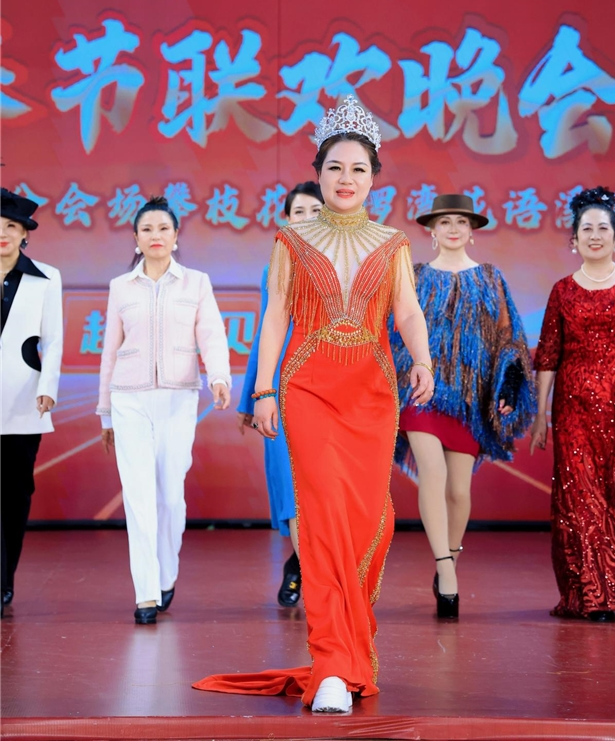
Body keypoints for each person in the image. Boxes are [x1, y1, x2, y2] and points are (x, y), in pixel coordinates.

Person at [194, 95, 434, 712]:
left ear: (374, 177)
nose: (345, 179)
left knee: (369, 523)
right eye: (334, 168)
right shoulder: (292, 239)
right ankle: (331, 665)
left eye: (357, 169)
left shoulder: (394, 242)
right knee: (322, 519)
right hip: (308, 391)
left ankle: (352, 650)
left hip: (373, 395)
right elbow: (275, 316)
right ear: (319, 174)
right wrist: (264, 389)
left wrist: (424, 360)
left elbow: (407, 311)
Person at [390, 194, 535, 619]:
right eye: (445, 221)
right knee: (432, 474)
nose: (453, 228)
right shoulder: (415, 275)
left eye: (461, 221)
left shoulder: (490, 278)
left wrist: (509, 383)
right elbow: (395, 329)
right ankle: (445, 570)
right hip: (421, 392)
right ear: (432, 230)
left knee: (458, 491)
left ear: (471, 231)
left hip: (470, 401)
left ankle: (449, 559)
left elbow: (510, 337)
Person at [97, 196, 231, 624]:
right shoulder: (121, 287)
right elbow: (110, 351)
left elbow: (212, 335)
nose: (155, 235)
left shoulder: (196, 283)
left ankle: (166, 574)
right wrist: (105, 412)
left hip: (178, 398)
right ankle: (146, 594)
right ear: (135, 239)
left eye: (163, 228)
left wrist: (219, 377)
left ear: (176, 236)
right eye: (147, 229)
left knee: (170, 495)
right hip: (129, 399)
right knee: (138, 496)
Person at [531, 186, 615, 621]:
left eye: (603, 229)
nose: (595, 236)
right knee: (581, 495)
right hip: (573, 406)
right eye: (587, 229)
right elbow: (548, 356)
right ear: (574, 239)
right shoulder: (562, 291)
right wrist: (541, 416)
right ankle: (596, 595)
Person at [238, 181, 323, 607]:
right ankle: (320, 592)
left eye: (315, 212)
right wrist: (252, 397)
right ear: (285, 221)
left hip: (332, 390)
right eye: (298, 212)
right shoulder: (275, 268)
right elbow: (264, 335)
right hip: (282, 391)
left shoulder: (349, 266)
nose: (306, 220)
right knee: (293, 490)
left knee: (325, 493)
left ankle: (299, 566)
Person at [1, 188, 63, 616]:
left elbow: (54, 340)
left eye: (11, 226)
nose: (3, 234)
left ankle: (6, 580)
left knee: (15, 492)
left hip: (25, 400)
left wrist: (49, 387)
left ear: (25, 234)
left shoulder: (46, 277)